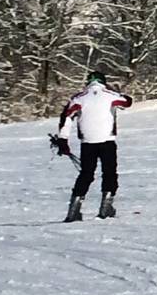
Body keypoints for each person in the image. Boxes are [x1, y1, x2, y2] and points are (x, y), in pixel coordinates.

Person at [54, 72, 132, 222]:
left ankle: (74, 210)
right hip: (107, 140)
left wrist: (63, 139)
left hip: (87, 142)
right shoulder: (110, 95)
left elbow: (67, 117)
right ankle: (106, 208)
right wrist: (117, 91)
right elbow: (127, 102)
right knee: (109, 172)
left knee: (86, 174)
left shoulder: (79, 98)